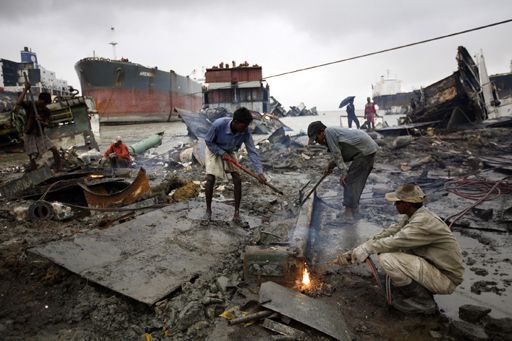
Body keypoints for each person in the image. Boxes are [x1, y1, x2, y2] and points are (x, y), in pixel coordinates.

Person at [334, 184, 464, 314]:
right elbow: (391, 231)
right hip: (433, 268)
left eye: (397, 202)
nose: (395, 205)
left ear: (406, 204)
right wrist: (360, 248)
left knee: (387, 258)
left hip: (445, 278)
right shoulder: (413, 216)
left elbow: (395, 241)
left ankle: (423, 301)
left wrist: (367, 248)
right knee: (389, 249)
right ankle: (411, 289)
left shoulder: (423, 223)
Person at [204, 107, 266, 226]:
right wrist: (221, 153)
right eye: (243, 127)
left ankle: (236, 214)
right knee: (210, 179)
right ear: (235, 122)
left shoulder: (245, 131)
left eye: (246, 127)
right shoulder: (218, 125)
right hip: (214, 148)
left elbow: (252, 151)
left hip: (230, 150)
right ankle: (208, 211)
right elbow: (208, 141)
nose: (244, 130)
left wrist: (260, 172)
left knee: (237, 178)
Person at [307, 121, 378, 220]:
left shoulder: (329, 133)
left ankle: (348, 214)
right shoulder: (331, 133)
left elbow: (337, 154)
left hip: (365, 151)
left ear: (321, 132)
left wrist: (344, 173)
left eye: (316, 138)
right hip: (366, 150)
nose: (317, 142)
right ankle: (354, 210)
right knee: (355, 182)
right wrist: (331, 165)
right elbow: (343, 152)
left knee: (348, 181)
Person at [16, 81, 62, 172]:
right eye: (43, 103)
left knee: (54, 149)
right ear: (40, 99)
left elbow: (47, 124)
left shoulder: (46, 111)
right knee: (31, 155)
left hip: (40, 134)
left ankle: (59, 168)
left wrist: (41, 120)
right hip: (29, 133)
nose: (44, 105)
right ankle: (35, 172)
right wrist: (25, 89)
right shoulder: (31, 105)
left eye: (46, 104)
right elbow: (19, 102)